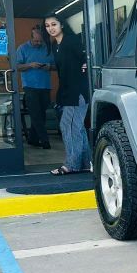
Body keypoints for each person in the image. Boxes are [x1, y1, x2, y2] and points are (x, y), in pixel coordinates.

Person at [44, 13, 91, 174]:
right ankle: (86, 163)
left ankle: (71, 165)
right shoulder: (55, 45)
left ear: (61, 25)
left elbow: (87, 58)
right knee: (77, 127)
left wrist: (85, 66)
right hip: (66, 90)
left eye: (54, 24)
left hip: (78, 91)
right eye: (48, 26)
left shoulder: (71, 41)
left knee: (68, 126)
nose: (51, 28)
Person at [15, 24, 53, 149]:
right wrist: (30, 65)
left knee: (41, 114)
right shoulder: (22, 48)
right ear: (31, 38)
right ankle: (45, 141)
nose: (38, 43)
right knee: (35, 113)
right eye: (36, 41)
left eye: (40, 41)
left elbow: (56, 65)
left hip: (45, 85)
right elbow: (16, 67)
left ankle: (32, 139)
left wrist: (49, 67)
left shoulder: (47, 48)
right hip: (30, 86)